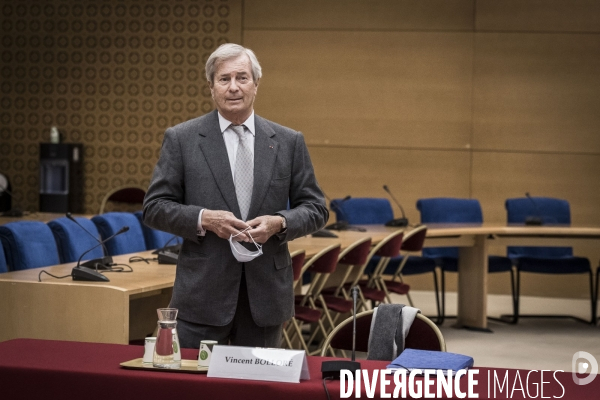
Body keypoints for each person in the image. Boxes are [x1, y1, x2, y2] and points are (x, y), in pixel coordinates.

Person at [143, 43, 328, 349]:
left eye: (242, 78)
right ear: (211, 87)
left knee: (258, 390)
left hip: (264, 298)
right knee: (192, 389)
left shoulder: (288, 141)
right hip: (202, 294)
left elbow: (316, 209)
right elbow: (154, 207)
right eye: (224, 79)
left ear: (256, 84)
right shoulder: (182, 139)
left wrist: (279, 222)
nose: (233, 88)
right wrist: (204, 218)